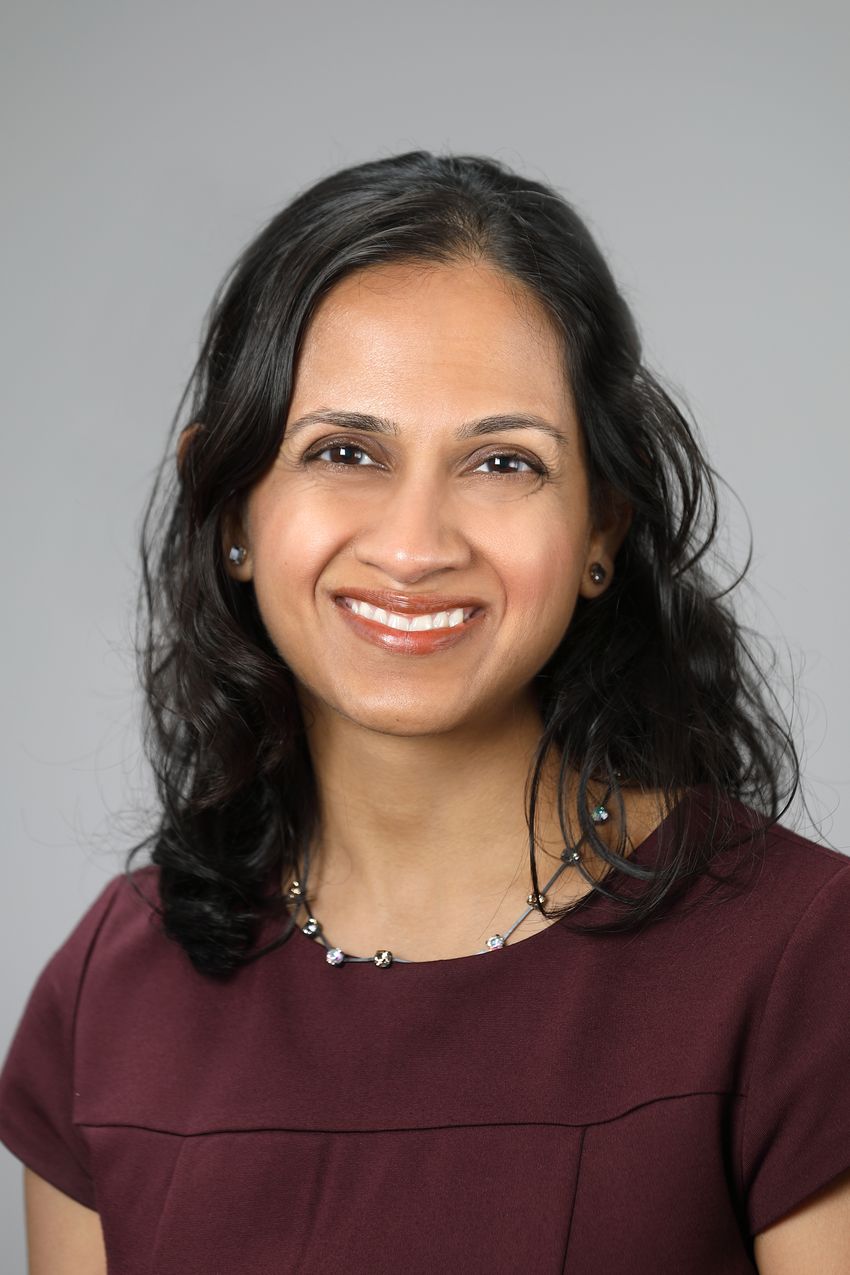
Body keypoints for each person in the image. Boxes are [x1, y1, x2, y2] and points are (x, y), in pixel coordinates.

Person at [1, 150, 848, 1274]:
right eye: (343, 452)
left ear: (601, 531)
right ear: (231, 507)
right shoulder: (110, 992)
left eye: (502, 463)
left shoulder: (804, 963)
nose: (414, 547)